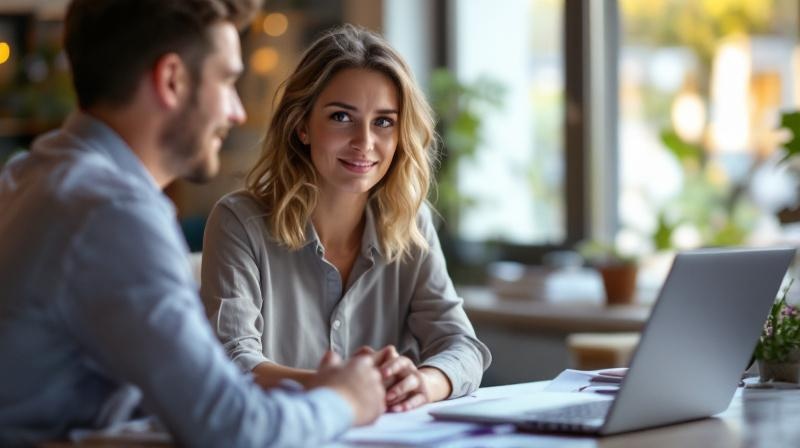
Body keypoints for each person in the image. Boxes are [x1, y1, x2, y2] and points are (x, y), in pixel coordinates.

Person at [0, 1, 386, 446]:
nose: (237, 112)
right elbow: (231, 430)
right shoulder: (110, 212)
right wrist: (346, 400)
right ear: (172, 80)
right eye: (226, 81)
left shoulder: (31, 175)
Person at [201, 24, 491, 413]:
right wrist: (338, 389)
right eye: (341, 117)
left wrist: (423, 383)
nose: (365, 142)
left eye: (384, 122)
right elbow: (230, 360)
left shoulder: (411, 223)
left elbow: (462, 347)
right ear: (302, 125)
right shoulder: (238, 221)